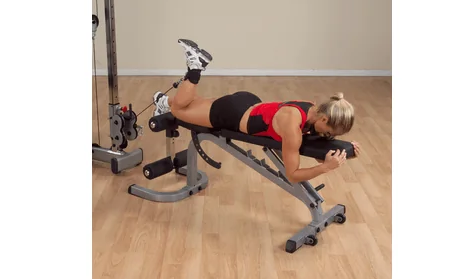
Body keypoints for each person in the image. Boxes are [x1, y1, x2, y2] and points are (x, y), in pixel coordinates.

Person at [152, 39, 361, 183]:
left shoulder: (311, 107)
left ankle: (162, 101)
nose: (329, 137)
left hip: (247, 103)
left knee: (191, 104)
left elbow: (315, 139)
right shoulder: (292, 128)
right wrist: (325, 168)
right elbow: (293, 175)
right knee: (179, 110)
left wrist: (344, 153)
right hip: (232, 115)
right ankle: (195, 69)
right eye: (330, 133)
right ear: (324, 119)